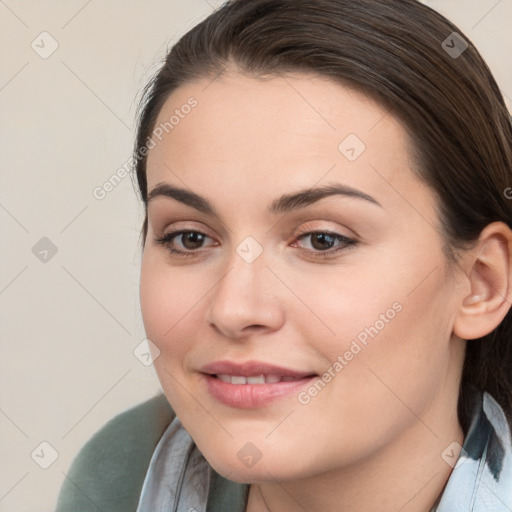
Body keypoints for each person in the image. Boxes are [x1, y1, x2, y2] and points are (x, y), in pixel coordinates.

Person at [55, 0, 512, 510]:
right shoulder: (117, 477)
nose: (234, 309)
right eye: (190, 237)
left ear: (480, 283)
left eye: (322, 239)